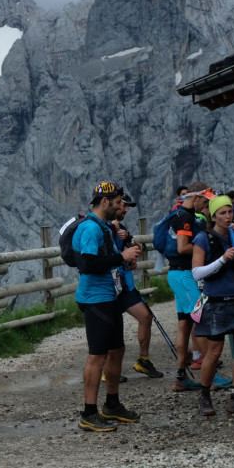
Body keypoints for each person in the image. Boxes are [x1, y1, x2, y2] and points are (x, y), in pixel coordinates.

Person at [74, 182, 143, 431]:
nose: (121, 206)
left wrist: (124, 262)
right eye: (118, 202)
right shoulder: (91, 228)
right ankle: (89, 413)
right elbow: (88, 264)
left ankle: (112, 405)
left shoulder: (104, 227)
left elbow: (107, 259)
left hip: (110, 296)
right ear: (105, 201)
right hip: (95, 298)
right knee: (97, 356)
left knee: (117, 350)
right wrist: (121, 257)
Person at [189, 195, 234, 416]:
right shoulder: (203, 238)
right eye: (223, 213)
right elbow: (196, 273)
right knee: (214, 352)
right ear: (213, 216)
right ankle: (204, 396)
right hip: (216, 302)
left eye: (230, 211)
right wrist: (222, 259)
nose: (228, 216)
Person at [168, 182, 213, 392]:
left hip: (178, 275)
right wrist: (205, 248)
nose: (205, 206)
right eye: (204, 201)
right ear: (196, 197)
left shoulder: (182, 214)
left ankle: (180, 376)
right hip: (184, 276)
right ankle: (212, 375)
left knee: (185, 325)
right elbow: (182, 247)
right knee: (200, 317)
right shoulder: (185, 216)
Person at [111, 194, 163, 379]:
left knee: (145, 317)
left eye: (128, 207)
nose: (126, 210)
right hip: (108, 286)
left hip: (125, 285)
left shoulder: (121, 227)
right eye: (124, 206)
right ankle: (108, 370)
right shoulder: (101, 226)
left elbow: (138, 248)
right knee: (111, 327)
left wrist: (129, 239)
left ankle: (143, 361)